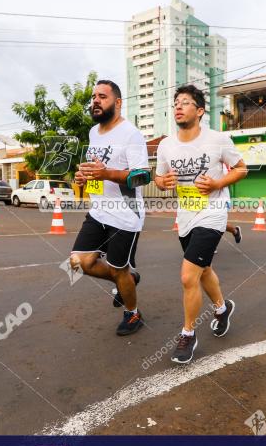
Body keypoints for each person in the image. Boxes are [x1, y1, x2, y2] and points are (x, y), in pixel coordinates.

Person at [154, 84, 248, 364]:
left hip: (214, 212)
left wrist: (218, 182)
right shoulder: (165, 145)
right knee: (203, 269)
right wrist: (163, 182)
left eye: (185, 102)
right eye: (175, 103)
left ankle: (187, 334)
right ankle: (222, 309)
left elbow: (243, 168)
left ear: (200, 110)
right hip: (186, 215)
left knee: (187, 275)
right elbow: (158, 179)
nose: (178, 107)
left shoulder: (218, 139)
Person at [70, 79, 149, 336]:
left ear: (117, 102)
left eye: (102, 96)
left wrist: (107, 174)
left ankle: (133, 313)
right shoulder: (94, 133)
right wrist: (83, 177)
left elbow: (143, 177)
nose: (95, 101)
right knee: (79, 262)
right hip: (98, 210)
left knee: (118, 268)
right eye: (94, 96)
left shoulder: (131, 134)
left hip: (125, 214)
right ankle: (126, 279)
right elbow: (96, 168)